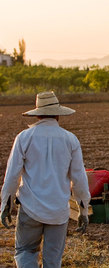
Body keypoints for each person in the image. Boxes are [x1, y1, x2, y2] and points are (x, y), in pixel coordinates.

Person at [0, 91, 91, 267]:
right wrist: (83, 210)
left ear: (38, 113)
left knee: (25, 251)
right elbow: (79, 178)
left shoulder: (24, 137)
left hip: (30, 208)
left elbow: (12, 176)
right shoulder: (70, 140)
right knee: (53, 261)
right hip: (58, 211)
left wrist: (5, 205)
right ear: (58, 114)